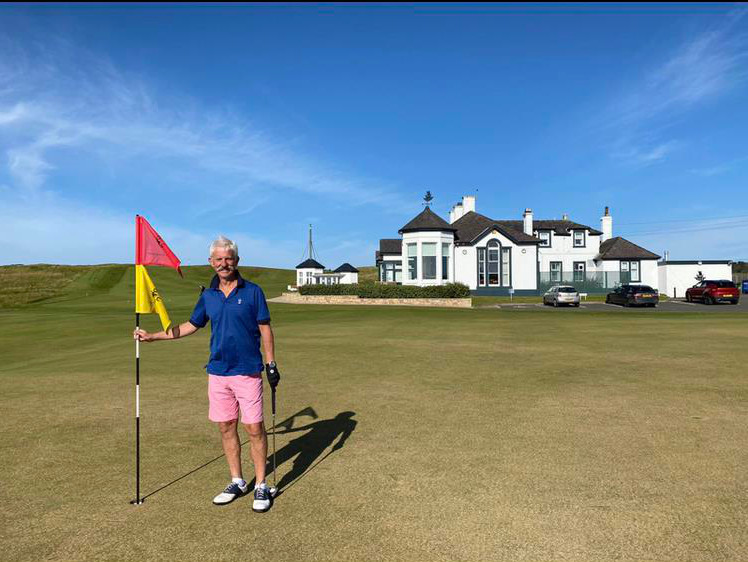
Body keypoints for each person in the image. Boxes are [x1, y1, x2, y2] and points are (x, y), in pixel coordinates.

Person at [133, 235, 281, 512]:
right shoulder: (208, 296)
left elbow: (265, 328)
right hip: (218, 372)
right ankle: (237, 481)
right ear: (211, 262)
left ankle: (261, 484)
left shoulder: (253, 291)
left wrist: (271, 364)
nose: (224, 264)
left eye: (228, 258)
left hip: (247, 371)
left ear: (236, 261)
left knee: (254, 429)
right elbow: (192, 325)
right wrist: (153, 336)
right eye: (219, 259)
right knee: (226, 427)